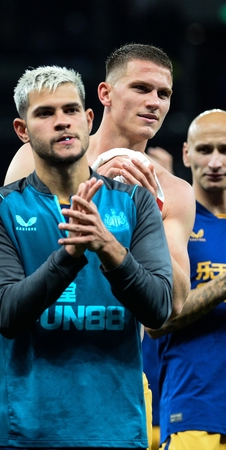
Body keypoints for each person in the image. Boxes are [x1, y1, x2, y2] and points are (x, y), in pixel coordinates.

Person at [0, 66, 172, 449]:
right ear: (22, 130)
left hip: (117, 432)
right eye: (45, 114)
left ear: (89, 117)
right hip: (25, 435)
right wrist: (70, 256)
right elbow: (6, 314)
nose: (61, 122)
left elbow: (159, 309)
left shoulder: (134, 201)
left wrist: (109, 248)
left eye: (71, 110)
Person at [3, 43, 194, 318]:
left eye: (163, 94)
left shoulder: (174, 192)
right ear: (105, 93)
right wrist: (92, 188)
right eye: (141, 88)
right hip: (37, 346)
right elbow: (9, 264)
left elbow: (174, 304)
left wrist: (146, 220)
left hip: (114, 354)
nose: (154, 102)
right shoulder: (33, 159)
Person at [146, 109, 226, 450]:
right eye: (205, 150)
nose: (216, 162)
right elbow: (156, 319)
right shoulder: (170, 222)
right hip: (194, 406)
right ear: (186, 154)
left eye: (224, 150)